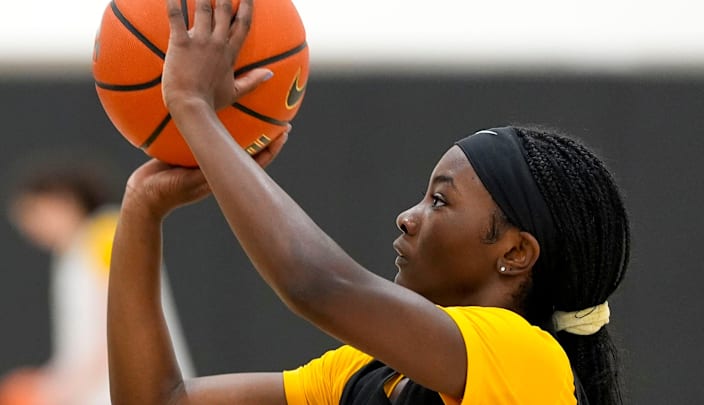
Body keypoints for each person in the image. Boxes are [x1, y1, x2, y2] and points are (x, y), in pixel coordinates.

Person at [107, 1, 630, 404]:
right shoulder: (369, 375)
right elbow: (158, 399)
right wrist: (142, 205)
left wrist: (193, 107)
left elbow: (316, 283)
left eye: (439, 201)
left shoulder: (528, 362)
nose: (408, 217)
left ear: (516, 253)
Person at [0, 158, 195, 405]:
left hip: (131, 391)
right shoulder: (75, 252)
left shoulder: (104, 235)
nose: (32, 230)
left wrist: (53, 391)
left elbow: (115, 323)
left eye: (34, 214)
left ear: (62, 201)